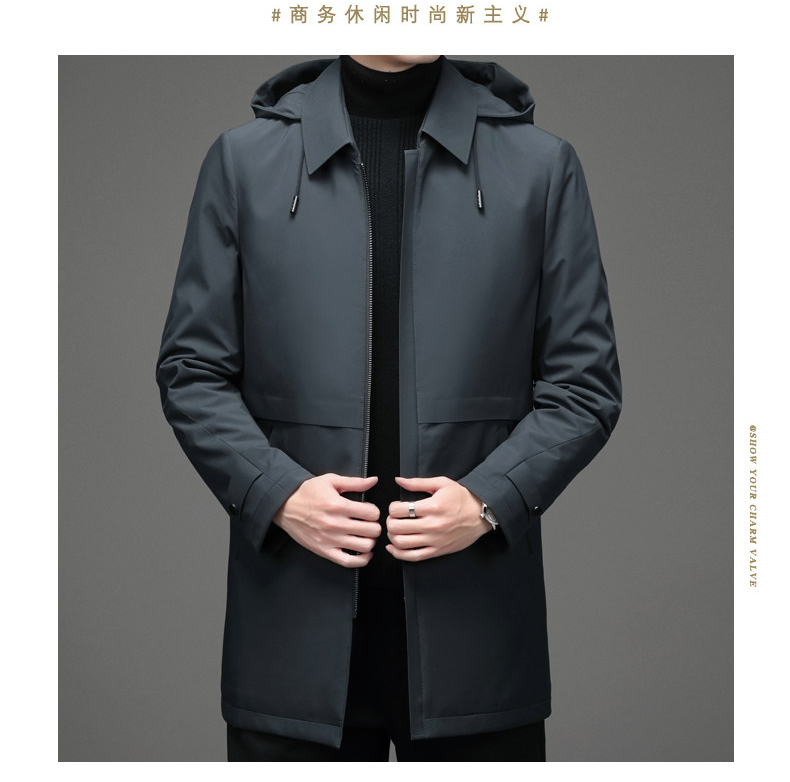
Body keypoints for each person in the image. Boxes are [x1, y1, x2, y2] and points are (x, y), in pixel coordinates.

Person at [155, 54, 622, 761]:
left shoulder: (540, 166)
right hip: (292, 630)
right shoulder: (244, 162)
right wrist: (277, 494)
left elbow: (584, 385)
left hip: (476, 631)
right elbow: (192, 371)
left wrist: (487, 502)